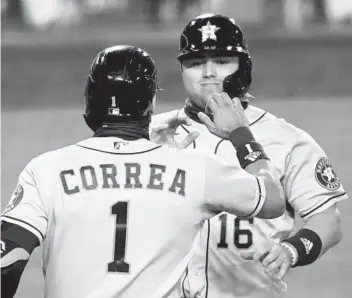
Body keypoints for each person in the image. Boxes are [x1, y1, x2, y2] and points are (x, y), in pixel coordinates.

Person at [1, 45, 285, 298]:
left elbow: (7, 260)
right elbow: (272, 200)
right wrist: (240, 134)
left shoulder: (45, 170)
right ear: (150, 104)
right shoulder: (195, 169)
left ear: (90, 99)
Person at [151, 13, 348, 298]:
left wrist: (290, 251)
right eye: (195, 63)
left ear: (243, 68)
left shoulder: (286, 139)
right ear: (182, 71)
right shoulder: (155, 133)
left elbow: (329, 221)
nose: (208, 72)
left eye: (221, 62)